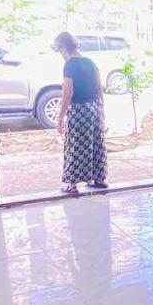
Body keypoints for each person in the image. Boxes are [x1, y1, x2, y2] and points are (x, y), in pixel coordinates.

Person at [53, 32, 108, 193]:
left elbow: (68, 92)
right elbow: (99, 87)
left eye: (59, 49)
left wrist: (60, 118)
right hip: (94, 107)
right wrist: (101, 109)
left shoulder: (69, 64)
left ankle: (71, 184)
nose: (59, 53)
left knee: (75, 145)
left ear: (63, 47)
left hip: (79, 110)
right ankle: (99, 179)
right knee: (96, 143)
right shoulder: (89, 61)